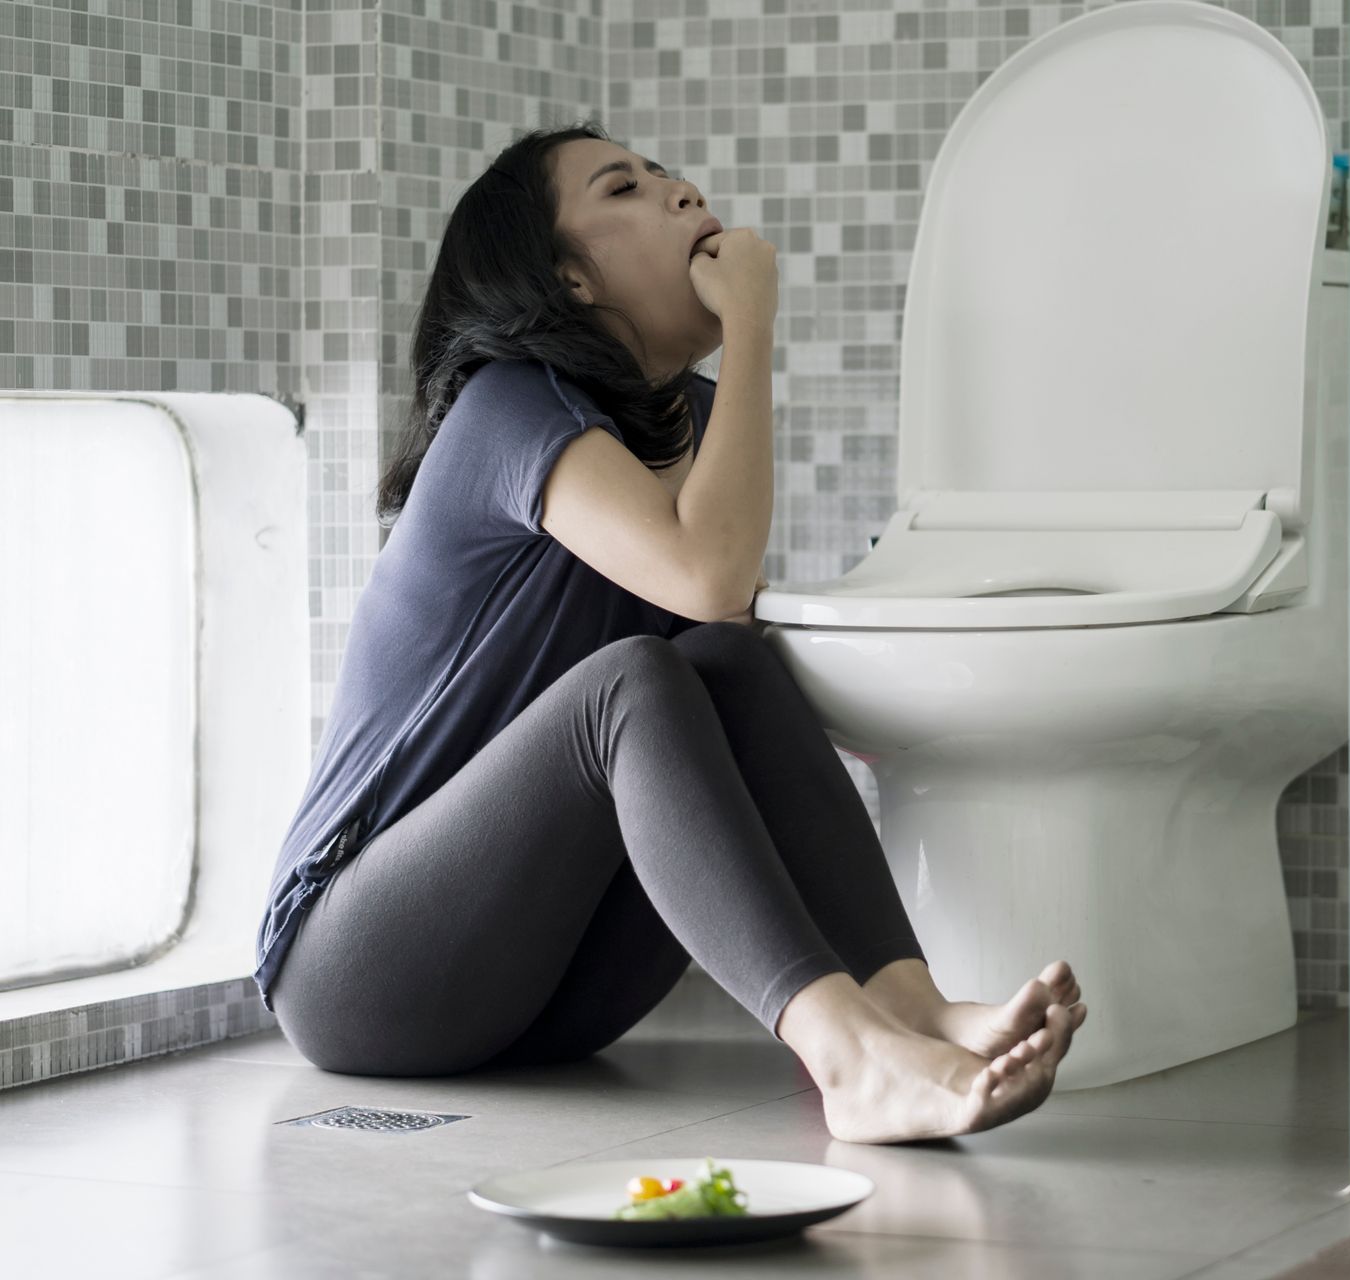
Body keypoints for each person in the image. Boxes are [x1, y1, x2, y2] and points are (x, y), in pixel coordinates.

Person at [252, 121, 1088, 1144]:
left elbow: (722, 613)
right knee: (637, 680)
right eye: (627, 189)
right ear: (570, 278)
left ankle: (907, 1010)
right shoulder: (505, 407)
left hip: (557, 995)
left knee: (727, 658)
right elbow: (707, 570)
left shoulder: (683, 416)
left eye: (666, 176)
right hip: (362, 967)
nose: (684, 192)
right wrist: (755, 330)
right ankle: (848, 1056)